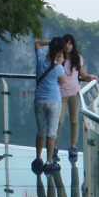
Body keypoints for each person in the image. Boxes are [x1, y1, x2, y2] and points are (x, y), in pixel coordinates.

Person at [56, 33, 98, 162]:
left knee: (74, 121)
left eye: (70, 43)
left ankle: (73, 147)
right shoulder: (59, 58)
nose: (68, 46)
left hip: (74, 93)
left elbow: (82, 74)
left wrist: (91, 77)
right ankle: (54, 147)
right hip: (61, 94)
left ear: (73, 45)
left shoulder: (78, 59)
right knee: (59, 121)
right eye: (66, 43)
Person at [33, 36, 65, 174]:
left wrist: (50, 42)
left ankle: (38, 159)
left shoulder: (40, 59)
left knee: (41, 132)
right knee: (52, 133)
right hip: (54, 101)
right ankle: (49, 161)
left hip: (39, 100)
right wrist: (61, 61)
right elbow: (62, 82)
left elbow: (37, 42)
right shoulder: (59, 68)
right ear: (59, 52)